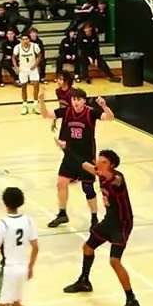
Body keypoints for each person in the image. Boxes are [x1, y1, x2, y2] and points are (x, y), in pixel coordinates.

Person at [62, 149, 140, 306]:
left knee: (114, 261)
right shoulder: (99, 172)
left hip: (122, 223)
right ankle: (84, 281)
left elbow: (116, 180)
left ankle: (132, 301)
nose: (99, 163)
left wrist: (108, 174)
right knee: (87, 247)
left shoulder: (117, 178)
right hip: (109, 221)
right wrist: (66, 149)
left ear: (111, 165)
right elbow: (82, 163)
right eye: (99, 160)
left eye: (103, 162)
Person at [39, 86, 109, 230]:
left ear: (84, 101)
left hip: (86, 158)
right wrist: (41, 100)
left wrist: (104, 106)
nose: (75, 102)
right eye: (73, 99)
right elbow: (45, 114)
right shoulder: (66, 112)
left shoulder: (91, 113)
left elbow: (109, 117)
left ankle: (94, 218)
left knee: (88, 188)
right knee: (61, 183)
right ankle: (62, 213)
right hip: (70, 156)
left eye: (78, 99)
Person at [15, 33, 42, 115]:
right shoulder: (17, 47)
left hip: (32, 69)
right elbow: (13, 57)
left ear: (29, 40)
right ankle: (25, 105)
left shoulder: (34, 46)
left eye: (26, 39)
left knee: (36, 85)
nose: (25, 41)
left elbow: (40, 55)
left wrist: (35, 64)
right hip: (23, 69)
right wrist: (16, 66)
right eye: (23, 39)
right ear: (21, 40)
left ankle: (35, 105)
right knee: (23, 87)